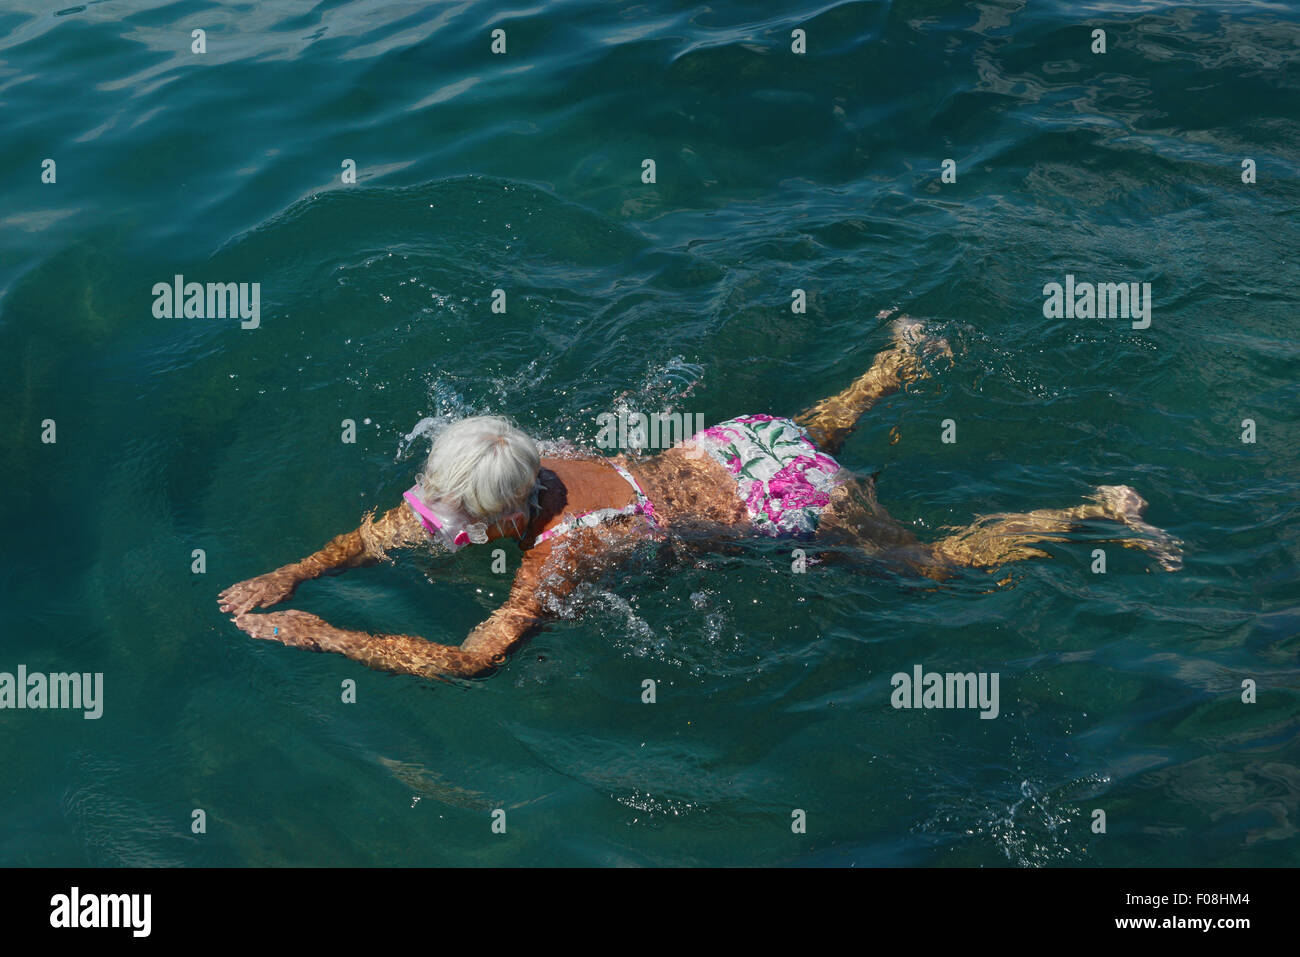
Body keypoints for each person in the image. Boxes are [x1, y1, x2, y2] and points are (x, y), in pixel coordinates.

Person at [219, 315, 1181, 678]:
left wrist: (328, 636)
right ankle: (898, 359)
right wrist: (293, 571)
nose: (445, 526)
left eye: (468, 522)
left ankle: (1091, 509)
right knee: (811, 432)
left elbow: (474, 660)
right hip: (741, 441)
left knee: (921, 566)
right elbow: (393, 526)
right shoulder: (519, 458)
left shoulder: (562, 551)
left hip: (781, 506)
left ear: (511, 514)